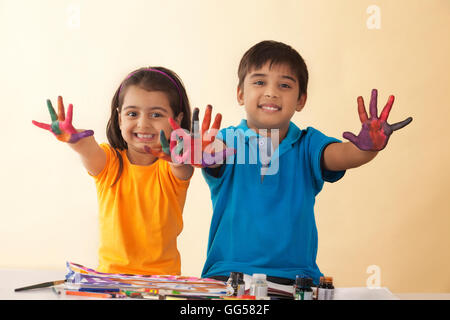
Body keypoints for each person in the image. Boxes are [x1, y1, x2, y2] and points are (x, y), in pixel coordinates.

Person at [200, 40, 413, 285]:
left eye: (284, 85)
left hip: (296, 280)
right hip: (228, 276)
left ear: (301, 100)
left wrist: (367, 146)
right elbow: (212, 156)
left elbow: (344, 155)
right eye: (259, 82)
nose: (271, 92)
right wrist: (202, 152)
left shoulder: (308, 143)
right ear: (240, 94)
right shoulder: (227, 141)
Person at [33, 66, 198, 275]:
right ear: (120, 119)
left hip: (162, 282)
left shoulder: (171, 168)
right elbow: (88, 146)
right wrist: (73, 137)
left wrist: (180, 153)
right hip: (110, 279)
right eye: (132, 113)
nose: (143, 123)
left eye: (156, 114)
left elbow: (182, 166)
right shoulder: (108, 163)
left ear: (178, 120)